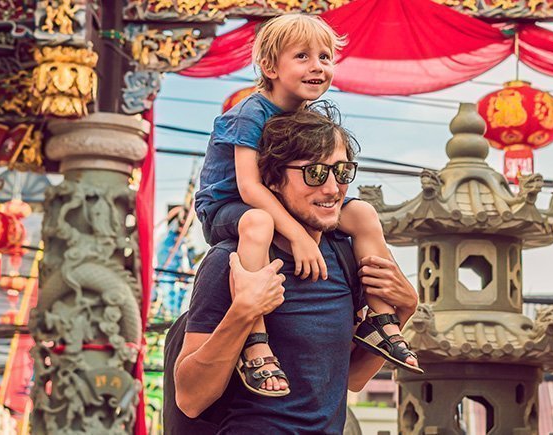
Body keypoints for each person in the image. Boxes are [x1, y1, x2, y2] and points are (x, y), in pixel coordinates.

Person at [193, 13, 421, 397]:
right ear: (269, 67)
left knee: (362, 213)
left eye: (325, 57)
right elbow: (249, 188)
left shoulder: (305, 118)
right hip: (227, 208)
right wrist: (298, 235)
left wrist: (406, 304)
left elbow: (349, 382)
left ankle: (381, 319)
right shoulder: (251, 113)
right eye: (302, 56)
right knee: (259, 223)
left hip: (270, 205)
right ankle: (255, 340)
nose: (317, 66)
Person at [176, 109, 419, 433]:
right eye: (315, 173)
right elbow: (190, 398)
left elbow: (353, 378)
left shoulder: (345, 259)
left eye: (342, 172)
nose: (333, 189)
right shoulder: (230, 261)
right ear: (273, 180)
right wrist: (243, 312)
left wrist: (404, 310)